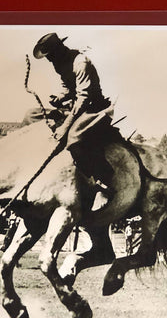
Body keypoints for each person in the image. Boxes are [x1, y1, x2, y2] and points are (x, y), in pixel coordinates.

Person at [32, 32, 120, 208]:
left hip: (94, 110)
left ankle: (104, 183)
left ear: (58, 50)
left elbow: (83, 98)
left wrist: (64, 126)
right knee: (31, 115)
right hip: (75, 108)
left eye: (50, 56)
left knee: (73, 137)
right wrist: (59, 98)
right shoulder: (59, 64)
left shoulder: (81, 63)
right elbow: (68, 88)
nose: (49, 61)